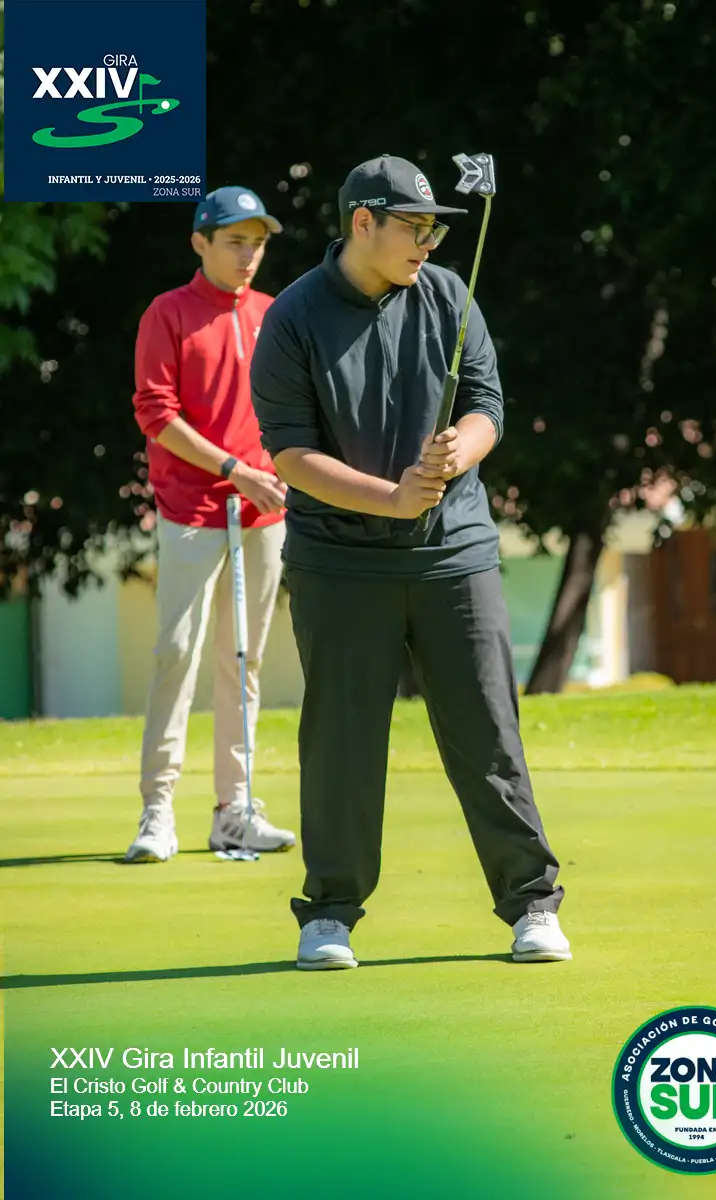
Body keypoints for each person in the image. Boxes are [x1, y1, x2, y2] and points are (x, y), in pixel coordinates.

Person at [251, 155, 569, 968]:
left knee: (487, 731)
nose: (429, 243)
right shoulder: (292, 317)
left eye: (436, 229)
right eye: (416, 227)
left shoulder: (449, 295)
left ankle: (532, 904)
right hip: (339, 563)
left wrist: (460, 449)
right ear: (363, 222)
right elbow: (289, 453)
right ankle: (329, 914)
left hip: (453, 554)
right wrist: (391, 497)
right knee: (342, 742)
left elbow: (487, 405)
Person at [126, 186, 296, 862]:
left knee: (244, 660)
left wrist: (278, 473)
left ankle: (235, 810)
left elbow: (295, 406)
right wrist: (234, 468)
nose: (248, 254)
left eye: (257, 242)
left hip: (263, 510)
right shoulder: (168, 312)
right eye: (235, 241)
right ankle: (157, 809)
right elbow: (155, 413)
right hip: (191, 510)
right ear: (200, 242)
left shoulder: (274, 313)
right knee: (177, 653)